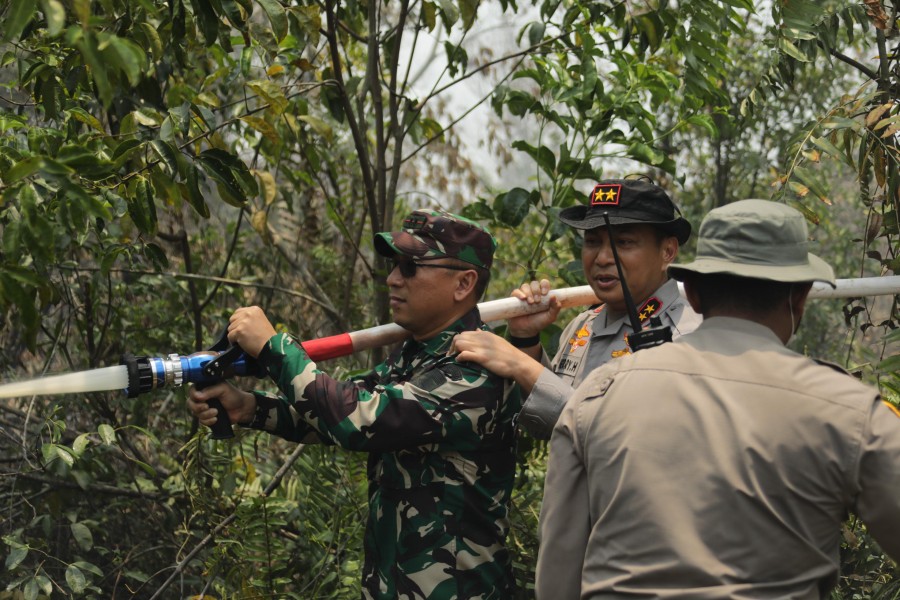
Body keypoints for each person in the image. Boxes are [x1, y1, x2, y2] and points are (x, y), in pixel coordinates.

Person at [536, 199, 900, 599]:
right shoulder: (847, 410)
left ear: (691, 292)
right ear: (800, 297)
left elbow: (557, 575)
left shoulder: (597, 395)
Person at [187, 209, 522, 599]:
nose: (394, 279)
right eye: (395, 266)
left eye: (411, 268)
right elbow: (330, 411)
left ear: (464, 283)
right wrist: (248, 407)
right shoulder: (417, 354)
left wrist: (274, 347)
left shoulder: (477, 369)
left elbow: (360, 420)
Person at [452, 178, 701, 439]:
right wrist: (526, 340)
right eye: (592, 242)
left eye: (624, 243)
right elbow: (549, 425)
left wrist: (522, 366)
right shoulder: (584, 325)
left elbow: (625, 439)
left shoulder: (686, 335)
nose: (603, 258)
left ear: (668, 252)